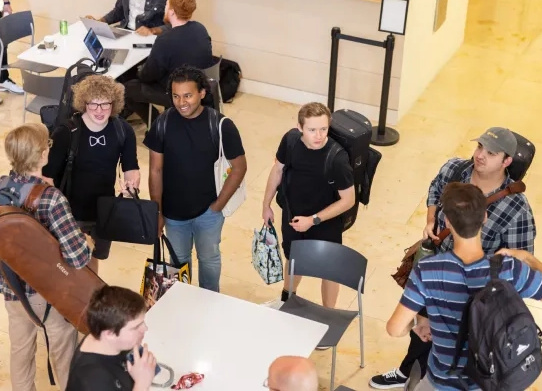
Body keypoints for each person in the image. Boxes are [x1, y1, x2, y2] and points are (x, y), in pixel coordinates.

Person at [370, 127, 538, 389]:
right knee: (421, 329)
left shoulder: (517, 209)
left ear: (507, 162)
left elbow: (522, 260)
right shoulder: (454, 169)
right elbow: (435, 190)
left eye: (491, 153)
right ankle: (408, 371)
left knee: (462, 350)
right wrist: (429, 221)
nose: (480, 155)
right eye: (480, 147)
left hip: (476, 293)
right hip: (437, 269)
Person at [386, 182, 542, 391]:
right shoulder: (509, 270)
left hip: (441, 382)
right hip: (490, 382)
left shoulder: (427, 269)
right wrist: (530, 259)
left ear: (448, 221)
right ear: (484, 217)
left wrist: (418, 324)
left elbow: (394, 329)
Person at [0, 123, 91, 391]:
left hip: (11, 290)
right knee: (63, 354)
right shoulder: (52, 199)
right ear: (43, 155)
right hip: (50, 295)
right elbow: (77, 259)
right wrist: (86, 242)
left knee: (20, 350)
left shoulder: (1, 185)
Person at [144, 65, 247, 292]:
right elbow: (155, 171)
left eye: (188, 95)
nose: (181, 102)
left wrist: (217, 206)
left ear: (202, 93)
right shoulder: (162, 123)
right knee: (179, 261)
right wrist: (157, 212)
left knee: (209, 259)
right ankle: (183, 305)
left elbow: (239, 168)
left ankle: (210, 303)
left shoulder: (221, 126)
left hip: (208, 212)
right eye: (176, 96)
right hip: (173, 214)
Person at [262, 102, 355, 308]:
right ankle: (287, 300)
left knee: (329, 269)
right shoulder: (290, 141)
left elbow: (348, 200)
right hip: (293, 216)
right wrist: (266, 204)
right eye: (312, 130)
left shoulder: (337, 159)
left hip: (325, 222)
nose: (319, 136)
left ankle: (328, 313)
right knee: (293, 259)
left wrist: (313, 220)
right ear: (299, 128)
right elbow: (277, 170)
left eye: (324, 129)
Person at [44, 75, 140, 273]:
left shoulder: (123, 130)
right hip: (70, 212)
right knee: (67, 266)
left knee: (93, 261)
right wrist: (57, 213)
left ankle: (89, 300)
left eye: (105, 105)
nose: (99, 111)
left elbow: (131, 167)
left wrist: (131, 185)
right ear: (83, 103)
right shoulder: (66, 132)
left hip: (104, 211)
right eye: (93, 104)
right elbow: (47, 176)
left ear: (114, 104)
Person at [123, 0, 214, 124]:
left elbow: (148, 76)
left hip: (175, 90)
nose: (164, 8)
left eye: (166, 5)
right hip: (198, 86)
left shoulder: (165, 39)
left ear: (171, 11)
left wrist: (139, 70)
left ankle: (156, 123)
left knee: (127, 88)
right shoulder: (200, 28)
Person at [66, 286, 157, 391]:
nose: (145, 328)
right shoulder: (93, 380)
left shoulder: (104, 337)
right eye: (136, 327)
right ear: (109, 333)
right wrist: (142, 384)